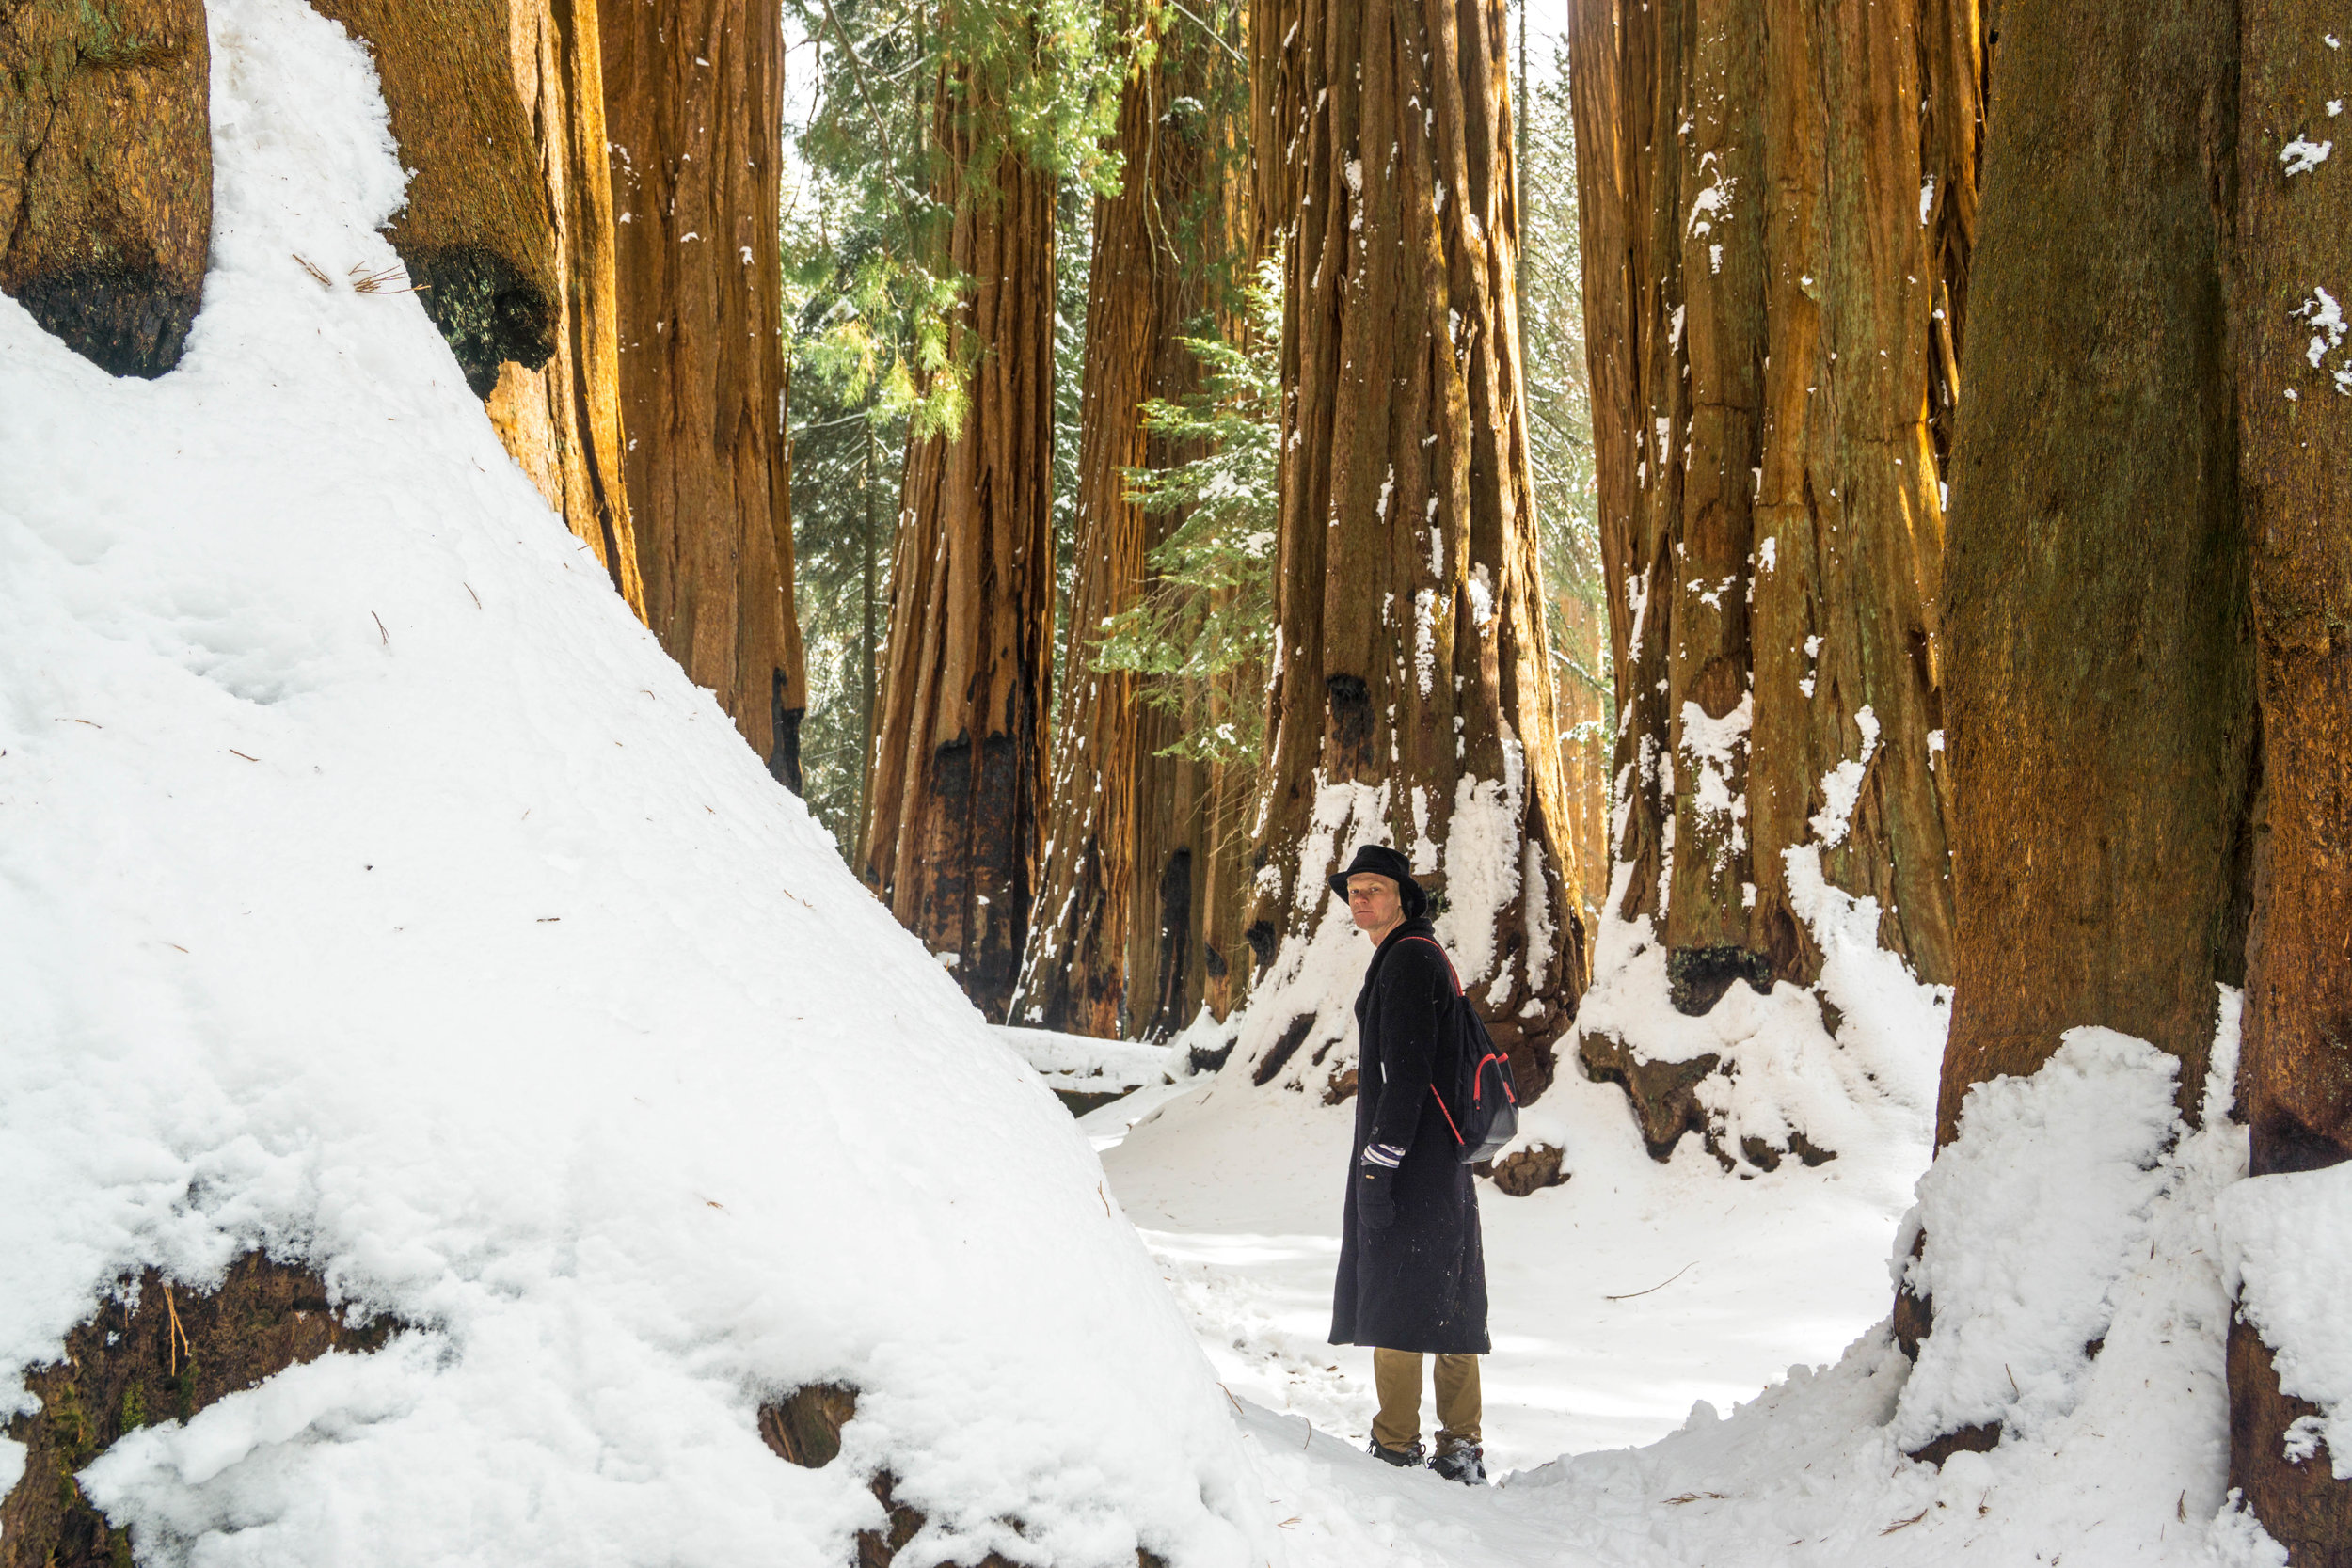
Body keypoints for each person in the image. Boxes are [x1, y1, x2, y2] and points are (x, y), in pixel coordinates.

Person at [1326, 843, 1489, 1485]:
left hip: (1411, 1158)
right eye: (1355, 889)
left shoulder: (1409, 959)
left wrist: (1379, 1161)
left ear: (1402, 896)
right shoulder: (1408, 955)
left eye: (1374, 888)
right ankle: (1453, 1444)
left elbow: (1410, 1072)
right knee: (1444, 1290)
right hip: (1434, 1158)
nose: (1361, 898)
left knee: (1402, 1289)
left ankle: (1404, 1443)